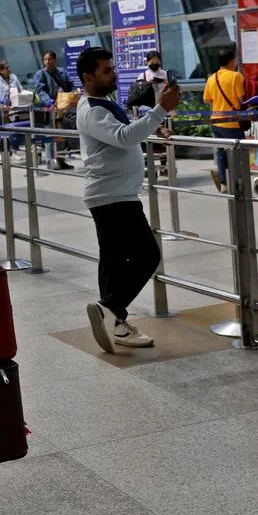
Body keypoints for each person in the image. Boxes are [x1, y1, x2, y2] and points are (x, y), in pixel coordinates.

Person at [76, 47, 181, 353]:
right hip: (113, 196)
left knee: (112, 261)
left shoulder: (103, 103)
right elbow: (123, 137)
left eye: (113, 68)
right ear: (88, 77)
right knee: (147, 255)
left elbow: (124, 133)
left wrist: (153, 127)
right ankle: (110, 309)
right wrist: (160, 110)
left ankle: (115, 322)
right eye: (106, 70)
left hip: (112, 194)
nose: (114, 74)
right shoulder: (93, 110)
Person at [203, 47, 248, 192]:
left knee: (221, 152)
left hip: (216, 121)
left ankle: (224, 183)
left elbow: (207, 99)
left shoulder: (212, 78)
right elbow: (241, 99)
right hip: (232, 123)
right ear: (231, 61)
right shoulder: (236, 76)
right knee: (238, 153)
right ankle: (238, 183)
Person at [32, 50, 76, 170]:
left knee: (61, 135)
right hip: (49, 110)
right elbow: (41, 91)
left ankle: (61, 160)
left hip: (63, 109)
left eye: (49, 59)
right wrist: (50, 102)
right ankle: (51, 161)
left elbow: (70, 86)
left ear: (54, 60)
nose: (47, 62)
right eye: (45, 59)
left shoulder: (62, 72)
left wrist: (72, 95)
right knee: (50, 136)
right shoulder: (40, 74)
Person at [0, 62, 24, 159]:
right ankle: (0, 151)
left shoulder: (14, 77)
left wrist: (23, 96)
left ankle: (14, 151)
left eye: (8, 67)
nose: (9, 70)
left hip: (13, 108)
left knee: (14, 130)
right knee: (0, 131)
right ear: (1, 70)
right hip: (1, 109)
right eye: (6, 68)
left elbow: (20, 89)